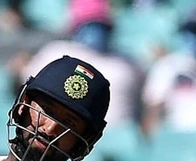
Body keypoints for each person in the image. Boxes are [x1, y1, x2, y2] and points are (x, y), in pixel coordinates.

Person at [23, 0, 144, 129]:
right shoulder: (56, 52)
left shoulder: (128, 62)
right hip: (68, 132)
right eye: (89, 23)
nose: (96, 30)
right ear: (76, 26)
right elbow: (28, 88)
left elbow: (147, 101)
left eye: (100, 24)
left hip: (122, 137)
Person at [141, 4, 196, 139]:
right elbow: (152, 113)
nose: (193, 38)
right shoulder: (169, 66)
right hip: (178, 143)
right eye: (189, 32)